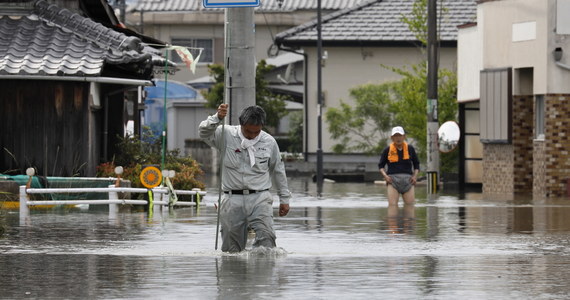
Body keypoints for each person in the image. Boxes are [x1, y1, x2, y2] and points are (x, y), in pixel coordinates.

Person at [199, 103, 291, 252]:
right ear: (241, 124)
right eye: (248, 131)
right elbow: (203, 132)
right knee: (231, 249)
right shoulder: (225, 134)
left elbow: (278, 170)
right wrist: (217, 118)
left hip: (260, 197)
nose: (252, 135)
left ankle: (262, 273)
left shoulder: (269, 142)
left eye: (257, 132)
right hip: (231, 198)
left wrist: (284, 199)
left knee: (267, 239)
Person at [378, 126, 420, 207]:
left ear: (404, 136)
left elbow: (416, 164)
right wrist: (385, 176)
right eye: (396, 136)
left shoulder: (410, 148)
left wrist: (414, 176)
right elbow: (381, 166)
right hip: (393, 180)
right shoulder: (387, 150)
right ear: (392, 138)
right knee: (392, 207)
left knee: (410, 207)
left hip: (408, 180)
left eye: (400, 135)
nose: (398, 138)